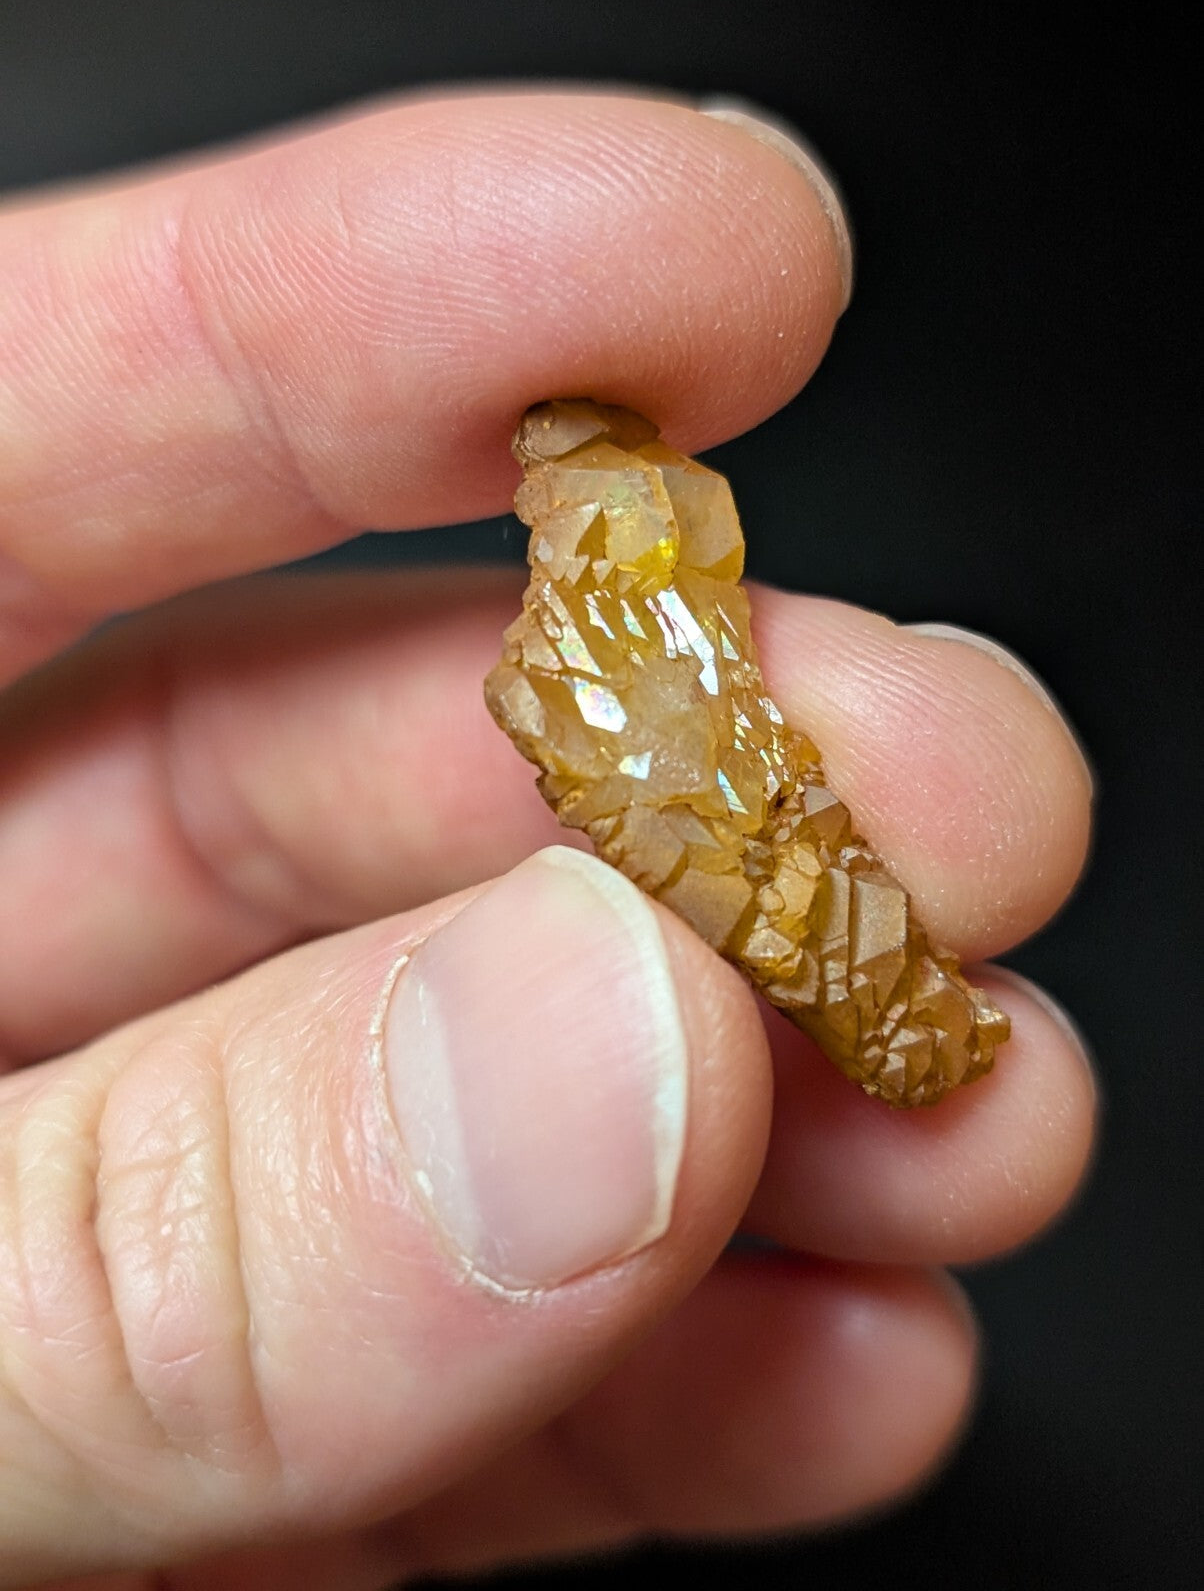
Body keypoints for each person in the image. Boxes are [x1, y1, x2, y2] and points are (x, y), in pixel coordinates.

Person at [0, 91, 1095, 1590]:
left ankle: (918, 1030)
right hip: (732, 826)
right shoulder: (573, 650)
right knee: (838, 942)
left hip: (756, 823)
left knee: (854, 937)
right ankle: (915, 1030)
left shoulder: (629, 594)